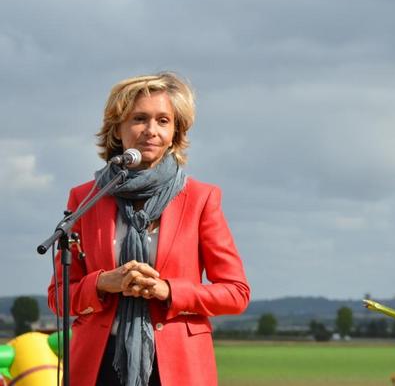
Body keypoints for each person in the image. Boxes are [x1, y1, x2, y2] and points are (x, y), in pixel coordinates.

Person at [47, 72, 250, 386]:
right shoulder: (85, 198)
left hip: (178, 366)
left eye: (163, 120)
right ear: (118, 128)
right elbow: (58, 296)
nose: (151, 131)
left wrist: (168, 290)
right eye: (140, 118)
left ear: (175, 131)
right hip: (98, 363)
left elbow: (236, 293)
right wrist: (103, 283)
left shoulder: (201, 198)